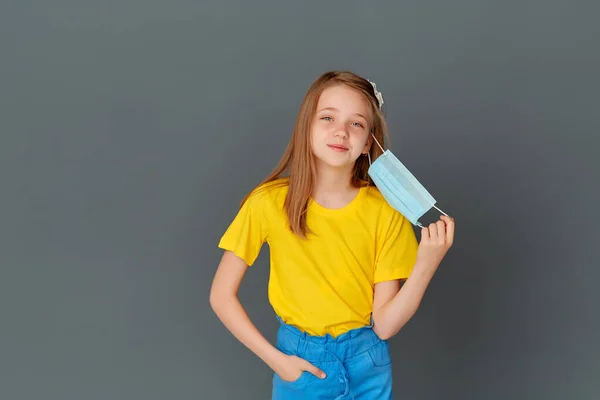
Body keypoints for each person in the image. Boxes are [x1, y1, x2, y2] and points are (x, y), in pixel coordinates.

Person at [209, 70, 455, 399]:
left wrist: (427, 263)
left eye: (356, 124)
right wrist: (278, 362)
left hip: (367, 362)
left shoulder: (386, 211)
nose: (341, 131)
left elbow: (384, 325)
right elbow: (221, 296)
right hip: (302, 362)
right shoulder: (267, 203)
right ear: (306, 126)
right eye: (327, 117)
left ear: (368, 141)